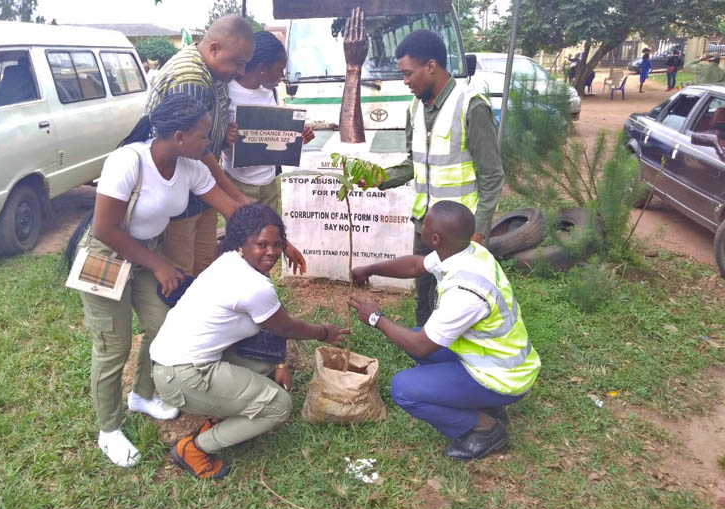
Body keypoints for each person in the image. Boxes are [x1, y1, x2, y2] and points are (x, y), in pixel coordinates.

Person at [66, 92, 259, 468]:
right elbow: (105, 228)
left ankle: (142, 393)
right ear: (179, 136)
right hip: (104, 256)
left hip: (146, 254)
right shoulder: (129, 161)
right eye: (203, 136)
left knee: (165, 327)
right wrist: (158, 265)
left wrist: (271, 234)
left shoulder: (191, 166)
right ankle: (109, 430)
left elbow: (232, 209)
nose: (208, 143)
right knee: (112, 346)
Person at [150, 204, 349, 479]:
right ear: (242, 242)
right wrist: (323, 332)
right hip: (183, 376)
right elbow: (287, 326)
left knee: (264, 363)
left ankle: (220, 411)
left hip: (172, 363)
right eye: (262, 244)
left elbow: (270, 328)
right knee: (278, 406)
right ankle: (194, 448)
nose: (272, 252)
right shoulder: (253, 285)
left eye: (277, 244)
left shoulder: (230, 262)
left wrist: (280, 362)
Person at [348, 201, 540, 461]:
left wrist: (375, 317)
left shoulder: (465, 293)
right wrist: (370, 269)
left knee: (404, 388)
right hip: (494, 359)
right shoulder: (469, 251)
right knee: (418, 337)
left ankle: (486, 428)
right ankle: (487, 404)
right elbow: (416, 266)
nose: (421, 225)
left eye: (424, 224)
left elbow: (420, 345)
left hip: (504, 377)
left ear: (434, 238)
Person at [146, 16, 306, 278]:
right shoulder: (192, 81)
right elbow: (200, 152)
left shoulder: (214, 71)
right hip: (182, 194)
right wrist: (239, 200)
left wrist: (225, 136)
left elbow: (209, 140)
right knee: (183, 276)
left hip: (200, 189)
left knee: (203, 270)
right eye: (239, 63)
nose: (242, 72)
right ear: (214, 49)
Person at [377, 30, 504, 327]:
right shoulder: (415, 108)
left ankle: (457, 358)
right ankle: (425, 354)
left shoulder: (471, 105)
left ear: (431, 66)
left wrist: (480, 231)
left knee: (458, 297)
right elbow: (415, 162)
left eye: (408, 74)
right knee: (425, 296)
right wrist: (380, 179)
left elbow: (492, 176)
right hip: (426, 224)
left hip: (461, 231)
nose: (405, 81)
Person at [221, 31, 315, 210]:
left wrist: (299, 134)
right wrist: (226, 137)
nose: (281, 76)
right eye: (279, 69)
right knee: (245, 237)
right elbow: (212, 140)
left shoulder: (270, 92)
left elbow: (276, 134)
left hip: (270, 182)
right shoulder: (227, 92)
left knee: (272, 233)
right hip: (239, 184)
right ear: (262, 68)